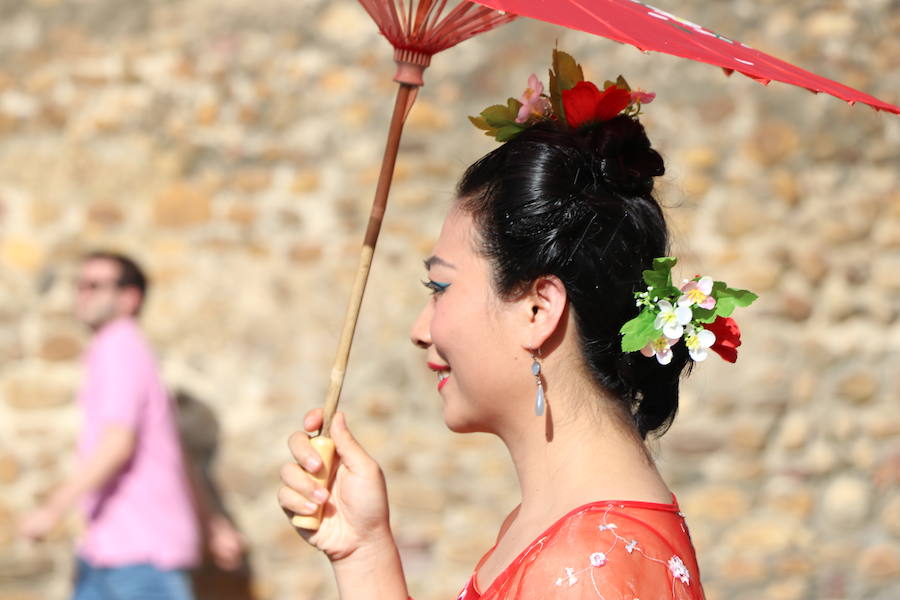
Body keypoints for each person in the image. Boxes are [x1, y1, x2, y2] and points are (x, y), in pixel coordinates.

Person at [278, 52, 754, 599]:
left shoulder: (581, 573)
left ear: (537, 309)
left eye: (440, 289)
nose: (419, 329)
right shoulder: (558, 531)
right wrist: (363, 551)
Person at [19, 251, 242, 600]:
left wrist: (52, 508)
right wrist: (213, 524)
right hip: (111, 550)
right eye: (80, 285)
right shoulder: (130, 352)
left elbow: (117, 444)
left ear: (130, 297)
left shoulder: (119, 345)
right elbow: (177, 455)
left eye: (95, 285)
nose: (83, 294)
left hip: (138, 555)